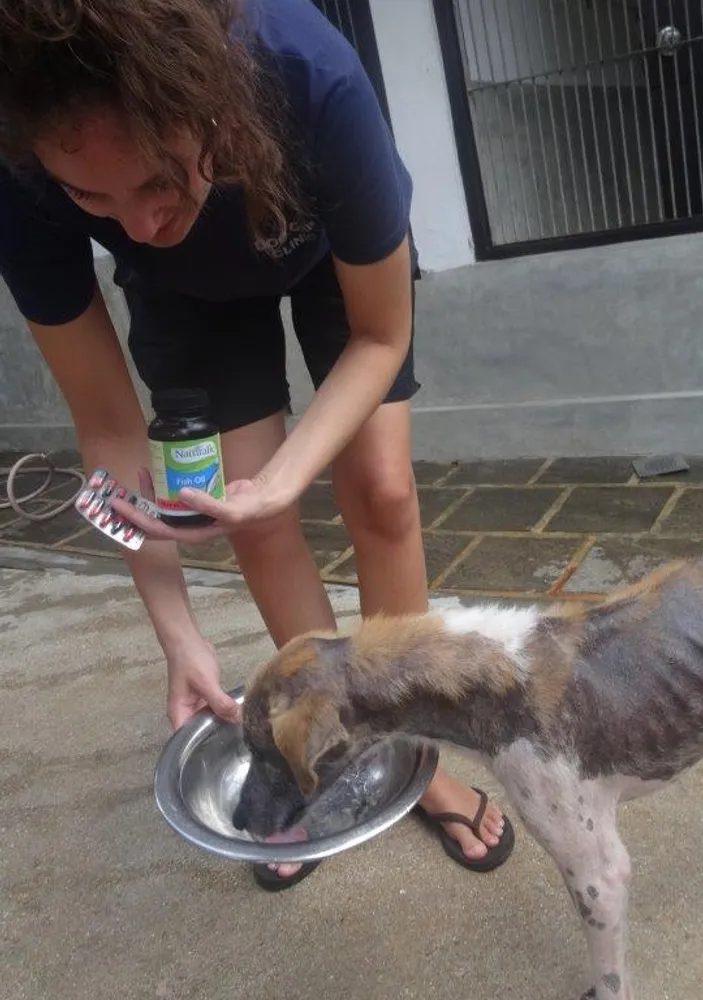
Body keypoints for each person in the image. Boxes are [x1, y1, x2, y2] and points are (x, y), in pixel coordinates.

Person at [0, 0, 514, 889]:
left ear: (208, 109)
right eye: (92, 199)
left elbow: (379, 337)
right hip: (185, 297)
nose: (136, 225)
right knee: (251, 517)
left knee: (382, 490)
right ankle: (316, 740)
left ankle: (412, 752)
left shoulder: (307, 77)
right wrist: (176, 633)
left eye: (158, 181)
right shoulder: (19, 163)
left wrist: (286, 475)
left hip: (326, 256)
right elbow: (110, 433)